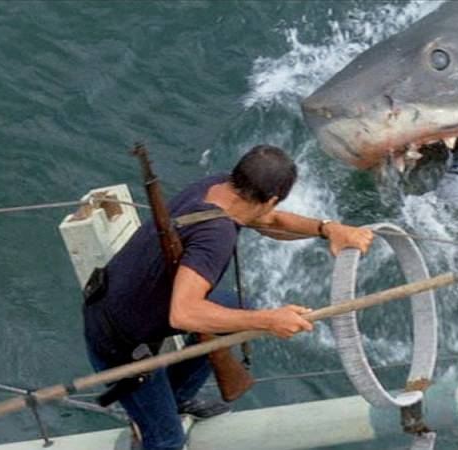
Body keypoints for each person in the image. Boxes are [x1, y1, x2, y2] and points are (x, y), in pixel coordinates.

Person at [82, 145, 374, 450]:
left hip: (117, 302)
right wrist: (268, 320)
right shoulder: (216, 235)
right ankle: (154, 423)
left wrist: (328, 229)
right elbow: (183, 313)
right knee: (167, 440)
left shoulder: (218, 188)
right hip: (119, 346)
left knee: (234, 309)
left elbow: (271, 222)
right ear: (271, 199)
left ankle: (176, 398)